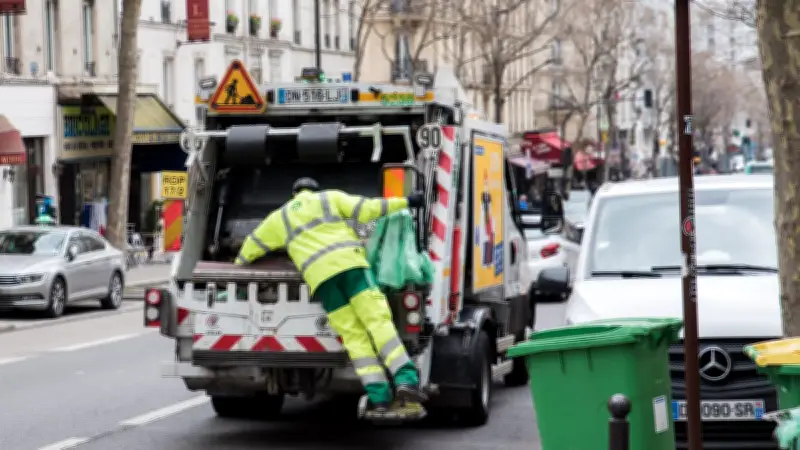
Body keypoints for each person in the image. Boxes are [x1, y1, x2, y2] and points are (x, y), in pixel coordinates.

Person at [235, 177, 427, 413]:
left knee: (353, 335)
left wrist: (238, 267)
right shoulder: (329, 198)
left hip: (322, 280)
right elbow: (369, 209)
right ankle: (405, 379)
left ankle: (379, 396)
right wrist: (407, 201)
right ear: (314, 190)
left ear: (294, 194)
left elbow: (251, 244)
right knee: (377, 321)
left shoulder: (280, 217)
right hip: (351, 268)